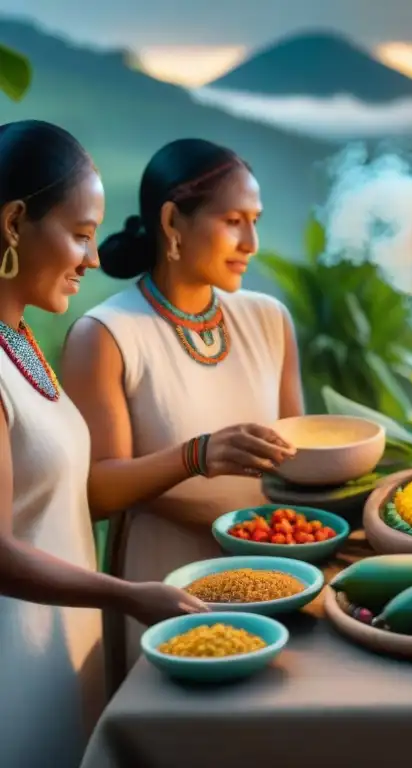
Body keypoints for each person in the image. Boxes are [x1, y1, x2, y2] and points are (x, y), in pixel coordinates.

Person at [0, 120, 207, 768]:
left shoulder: (23, 339)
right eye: (81, 235)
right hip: (15, 665)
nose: (93, 258)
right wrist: (127, 595)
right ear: (12, 224)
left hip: (60, 652)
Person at [60, 138, 304, 671]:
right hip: (161, 580)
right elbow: (96, 492)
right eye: (234, 221)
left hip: (273, 573)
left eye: (256, 220)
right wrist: (195, 455)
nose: (252, 243)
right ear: (172, 222)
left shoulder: (269, 320)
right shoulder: (106, 334)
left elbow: (299, 461)